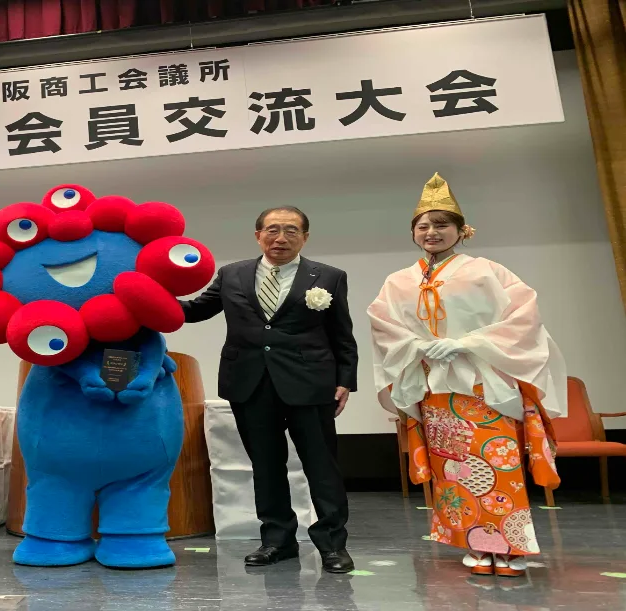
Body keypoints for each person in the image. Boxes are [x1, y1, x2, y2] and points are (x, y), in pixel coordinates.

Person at [367, 173, 565, 578]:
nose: (432, 232)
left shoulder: (487, 270)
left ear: (461, 230)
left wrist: (471, 342)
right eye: (423, 226)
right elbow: (382, 322)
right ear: (413, 233)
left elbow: (524, 317)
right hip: (435, 386)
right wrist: (416, 346)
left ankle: (507, 546)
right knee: (453, 469)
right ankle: (474, 542)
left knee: (496, 461)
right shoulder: (399, 280)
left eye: (442, 225)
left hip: (481, 383)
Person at [180, 207, 358, 574]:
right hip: (250, 382)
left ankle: (331, 544)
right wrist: (146, 300)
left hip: (311, 384)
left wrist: (345, 380)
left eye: (291, 230)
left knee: (322, 467)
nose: (281, 237)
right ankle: (278, 540)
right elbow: (196, 310)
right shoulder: (232, 274)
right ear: (258, 234)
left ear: (305, 237)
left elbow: (342, 333)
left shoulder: (328, 276)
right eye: (273, 230)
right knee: (265, 466)